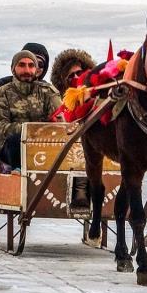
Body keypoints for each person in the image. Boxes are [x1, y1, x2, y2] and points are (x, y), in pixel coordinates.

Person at [0, 50, 61, 174]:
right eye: (22, 65)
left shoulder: (48, 91)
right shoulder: (1, 94)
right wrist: (31, 129)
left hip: (45, 143)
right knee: (15, 140)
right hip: (14, 147)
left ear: (36, 70)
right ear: (13, 69)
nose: (27, 70)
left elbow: (61, 121)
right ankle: (19, 174)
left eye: (31, 65)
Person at [50, 49, 96, 207]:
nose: (76, 77)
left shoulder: (97, 94)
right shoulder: (63, 103)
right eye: (71, 76)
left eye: (79, 73)